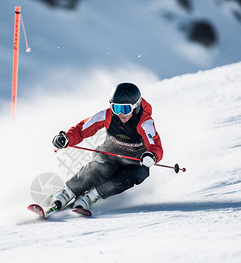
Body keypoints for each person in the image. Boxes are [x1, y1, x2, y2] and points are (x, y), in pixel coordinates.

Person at [51, 82, 163, 210]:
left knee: (135, 174)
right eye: (116, 108)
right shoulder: (107, 115)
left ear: (136, 107)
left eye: (125, 109)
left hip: (134, 161)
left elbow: (156, 146)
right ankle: (67, 193)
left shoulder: (144, 122)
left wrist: (152, 155)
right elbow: (81, 129)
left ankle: (92, 196)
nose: (121, 114)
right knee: (101, 169)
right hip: (110, 154)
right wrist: (66, 138)